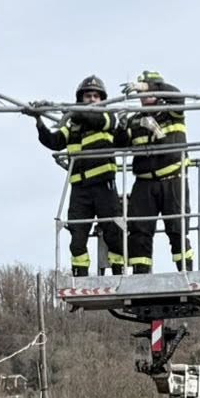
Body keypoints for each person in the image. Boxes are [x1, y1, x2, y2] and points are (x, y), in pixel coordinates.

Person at [30, 75, 127, 277]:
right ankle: (80, 277)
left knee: (113, 233)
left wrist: (73, 112)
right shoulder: (73, 126)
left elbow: (96, 119)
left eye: (96, 96)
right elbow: (54, 141)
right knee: (77, 237)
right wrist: (38, 120)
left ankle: (119, 275)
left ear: (102, 100)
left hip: (104, 186)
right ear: (80, 98)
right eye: (87, 96)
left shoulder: (107, 117)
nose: (92, 99)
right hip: (80, 189)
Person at [124, 70, 191, 274]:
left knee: (177, 229)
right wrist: (121, 126)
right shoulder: (135, 120)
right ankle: (140, 277)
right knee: (139, 231)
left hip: (173, 180)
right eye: (141, 93)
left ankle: (186, 274)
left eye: (148, 91)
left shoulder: (172, 112)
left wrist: (148, 86)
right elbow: (121, 144)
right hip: (144, 183)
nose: (144, 96)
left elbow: (178, 96)